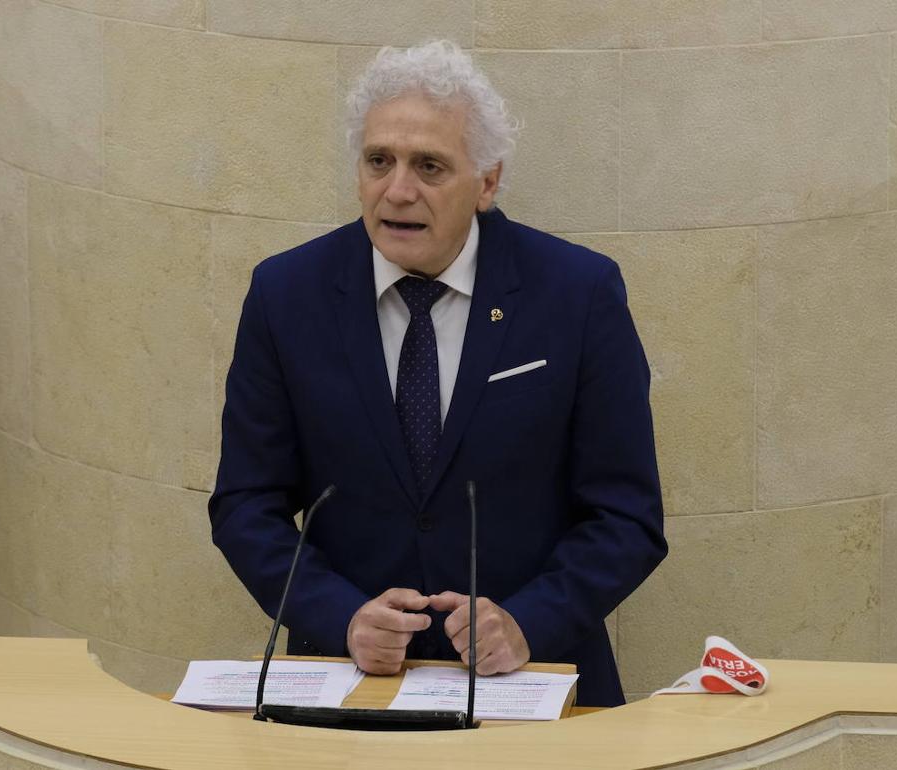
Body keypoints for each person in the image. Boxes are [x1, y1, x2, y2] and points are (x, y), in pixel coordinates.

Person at [208, 40, 665, 707]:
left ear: (487, 181)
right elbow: (246, 504)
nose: (398, 190)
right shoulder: (286, 295)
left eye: (429, 166)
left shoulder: (578, 293)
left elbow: (627, 516)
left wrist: (527, 623)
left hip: (531, 685)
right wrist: (340, 615)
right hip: (350, 682)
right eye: (378, 162)